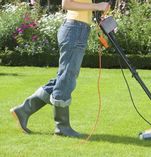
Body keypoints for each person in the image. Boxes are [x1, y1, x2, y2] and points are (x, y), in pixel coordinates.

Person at [10, 0, 110, 138]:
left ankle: (23, 110)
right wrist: (96, 6)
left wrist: (97, 9)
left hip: (78, 29)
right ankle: (62, 127)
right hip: (75, 29)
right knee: (67, 79)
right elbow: (66, 4)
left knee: (64, 77)